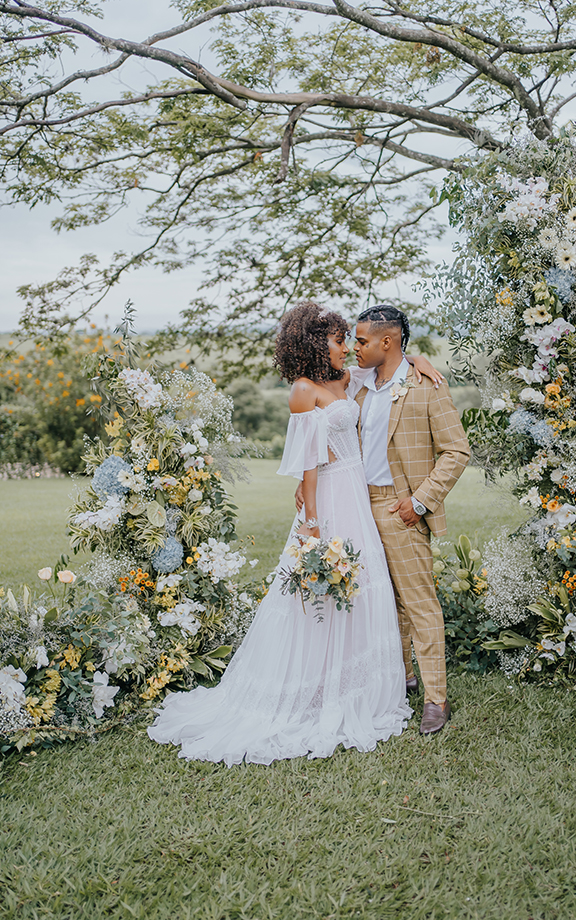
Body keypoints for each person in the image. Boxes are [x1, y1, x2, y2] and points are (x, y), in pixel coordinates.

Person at [148, 302, 439, 765]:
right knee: (320, 595)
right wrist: (310, 521)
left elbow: (392, 370)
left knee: (362, 589)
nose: (346, 348)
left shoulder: (346, 381)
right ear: (313, 343)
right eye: (339, 340)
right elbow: (308, 462)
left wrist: (418, 359)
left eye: (348, 340)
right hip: (328, 495)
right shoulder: (303, 391)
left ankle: (361, 687)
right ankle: (312, 692)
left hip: (358, 493)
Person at [351, 305, 470, 735]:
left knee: (419, 604)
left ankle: (436, 699)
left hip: (399, 509)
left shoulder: (426, 386)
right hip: (356, 508)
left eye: (361, 340)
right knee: (381, 601)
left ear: (388, 341)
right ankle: (400, 678)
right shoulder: (360, 384)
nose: (354, 348)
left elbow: (457, 451)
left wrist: (418, 502)